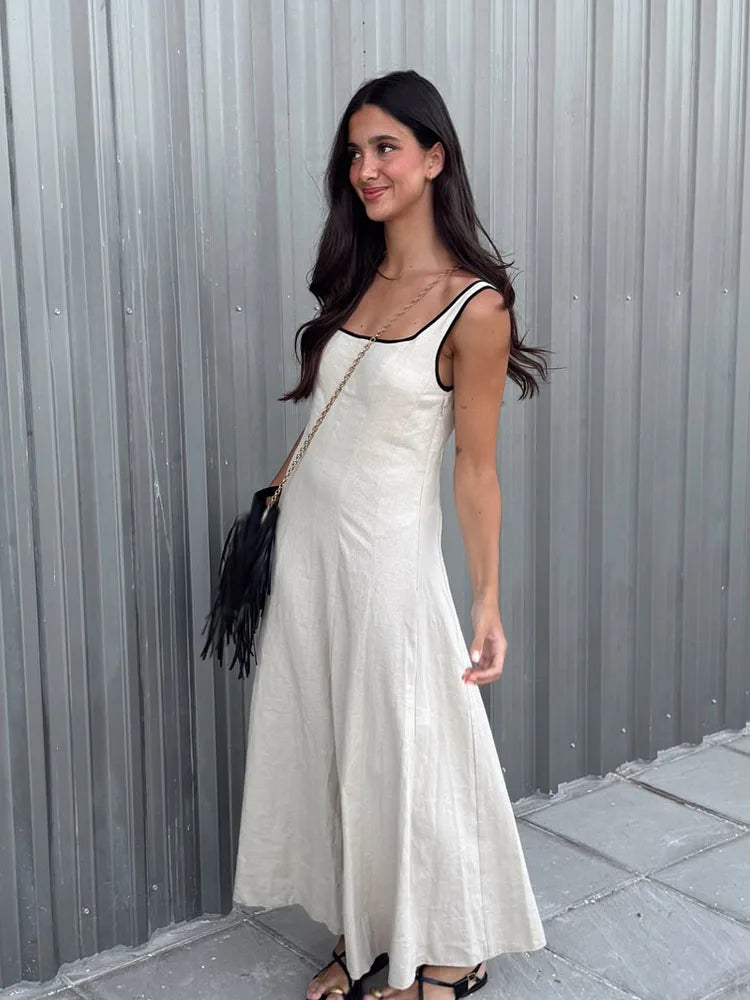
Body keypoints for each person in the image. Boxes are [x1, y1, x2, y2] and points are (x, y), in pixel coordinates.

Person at [232, 69, 551, 1000]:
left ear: (434, 158)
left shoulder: (476, 306)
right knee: (336, 743)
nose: (366, 169)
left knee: (409, 748)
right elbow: (340, 414)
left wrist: (486, 600)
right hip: (312, 554)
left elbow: (476, 469)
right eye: (355, 152)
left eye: (386, 148)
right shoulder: (360, 278)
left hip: (386, 564)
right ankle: (365, 925)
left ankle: (452, 951)